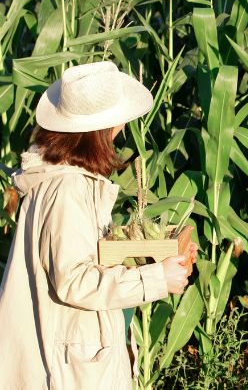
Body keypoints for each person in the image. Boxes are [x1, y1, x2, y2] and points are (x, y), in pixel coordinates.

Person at [0, 61, 198, 389]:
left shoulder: (63, 180)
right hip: (66, 369)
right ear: (100, 130)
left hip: (67, 355)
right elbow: (74, 280)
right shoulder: (67, 190)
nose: (120, 128)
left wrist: (152, 257)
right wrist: (156, 278)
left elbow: (77, 258)